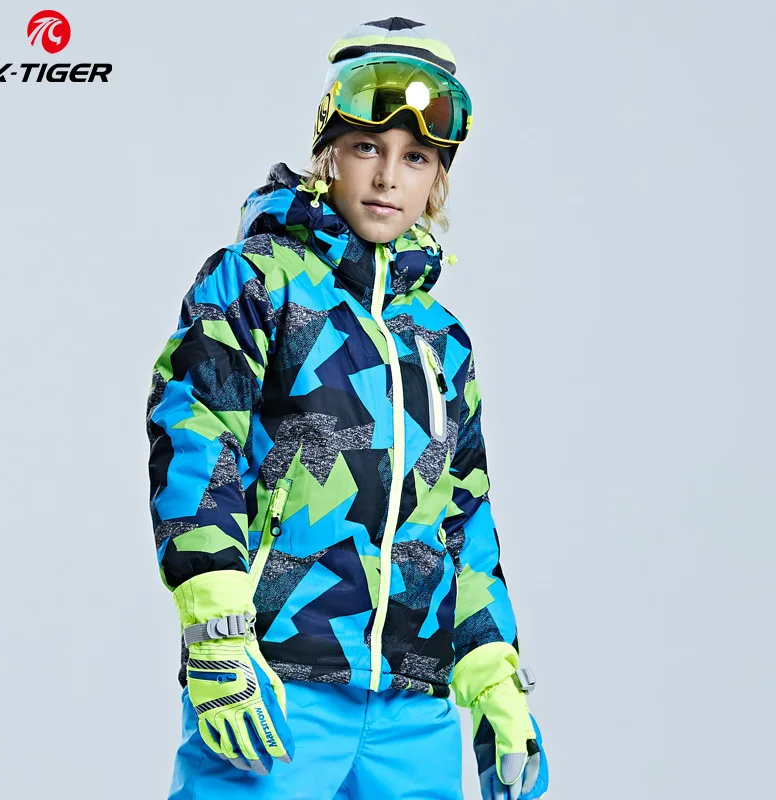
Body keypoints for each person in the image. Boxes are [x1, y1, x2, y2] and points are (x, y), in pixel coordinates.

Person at [146, 16, 550, 800]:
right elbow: (196, 437)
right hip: (276, 681)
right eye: (367, 147)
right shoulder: (259, 282)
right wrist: (215, 630)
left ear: (437, 179)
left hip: (413, 707)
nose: (388, 177)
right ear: (328, 152)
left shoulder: (440, 340)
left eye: (416, 158)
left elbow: (464, 522)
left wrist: (495, 684)